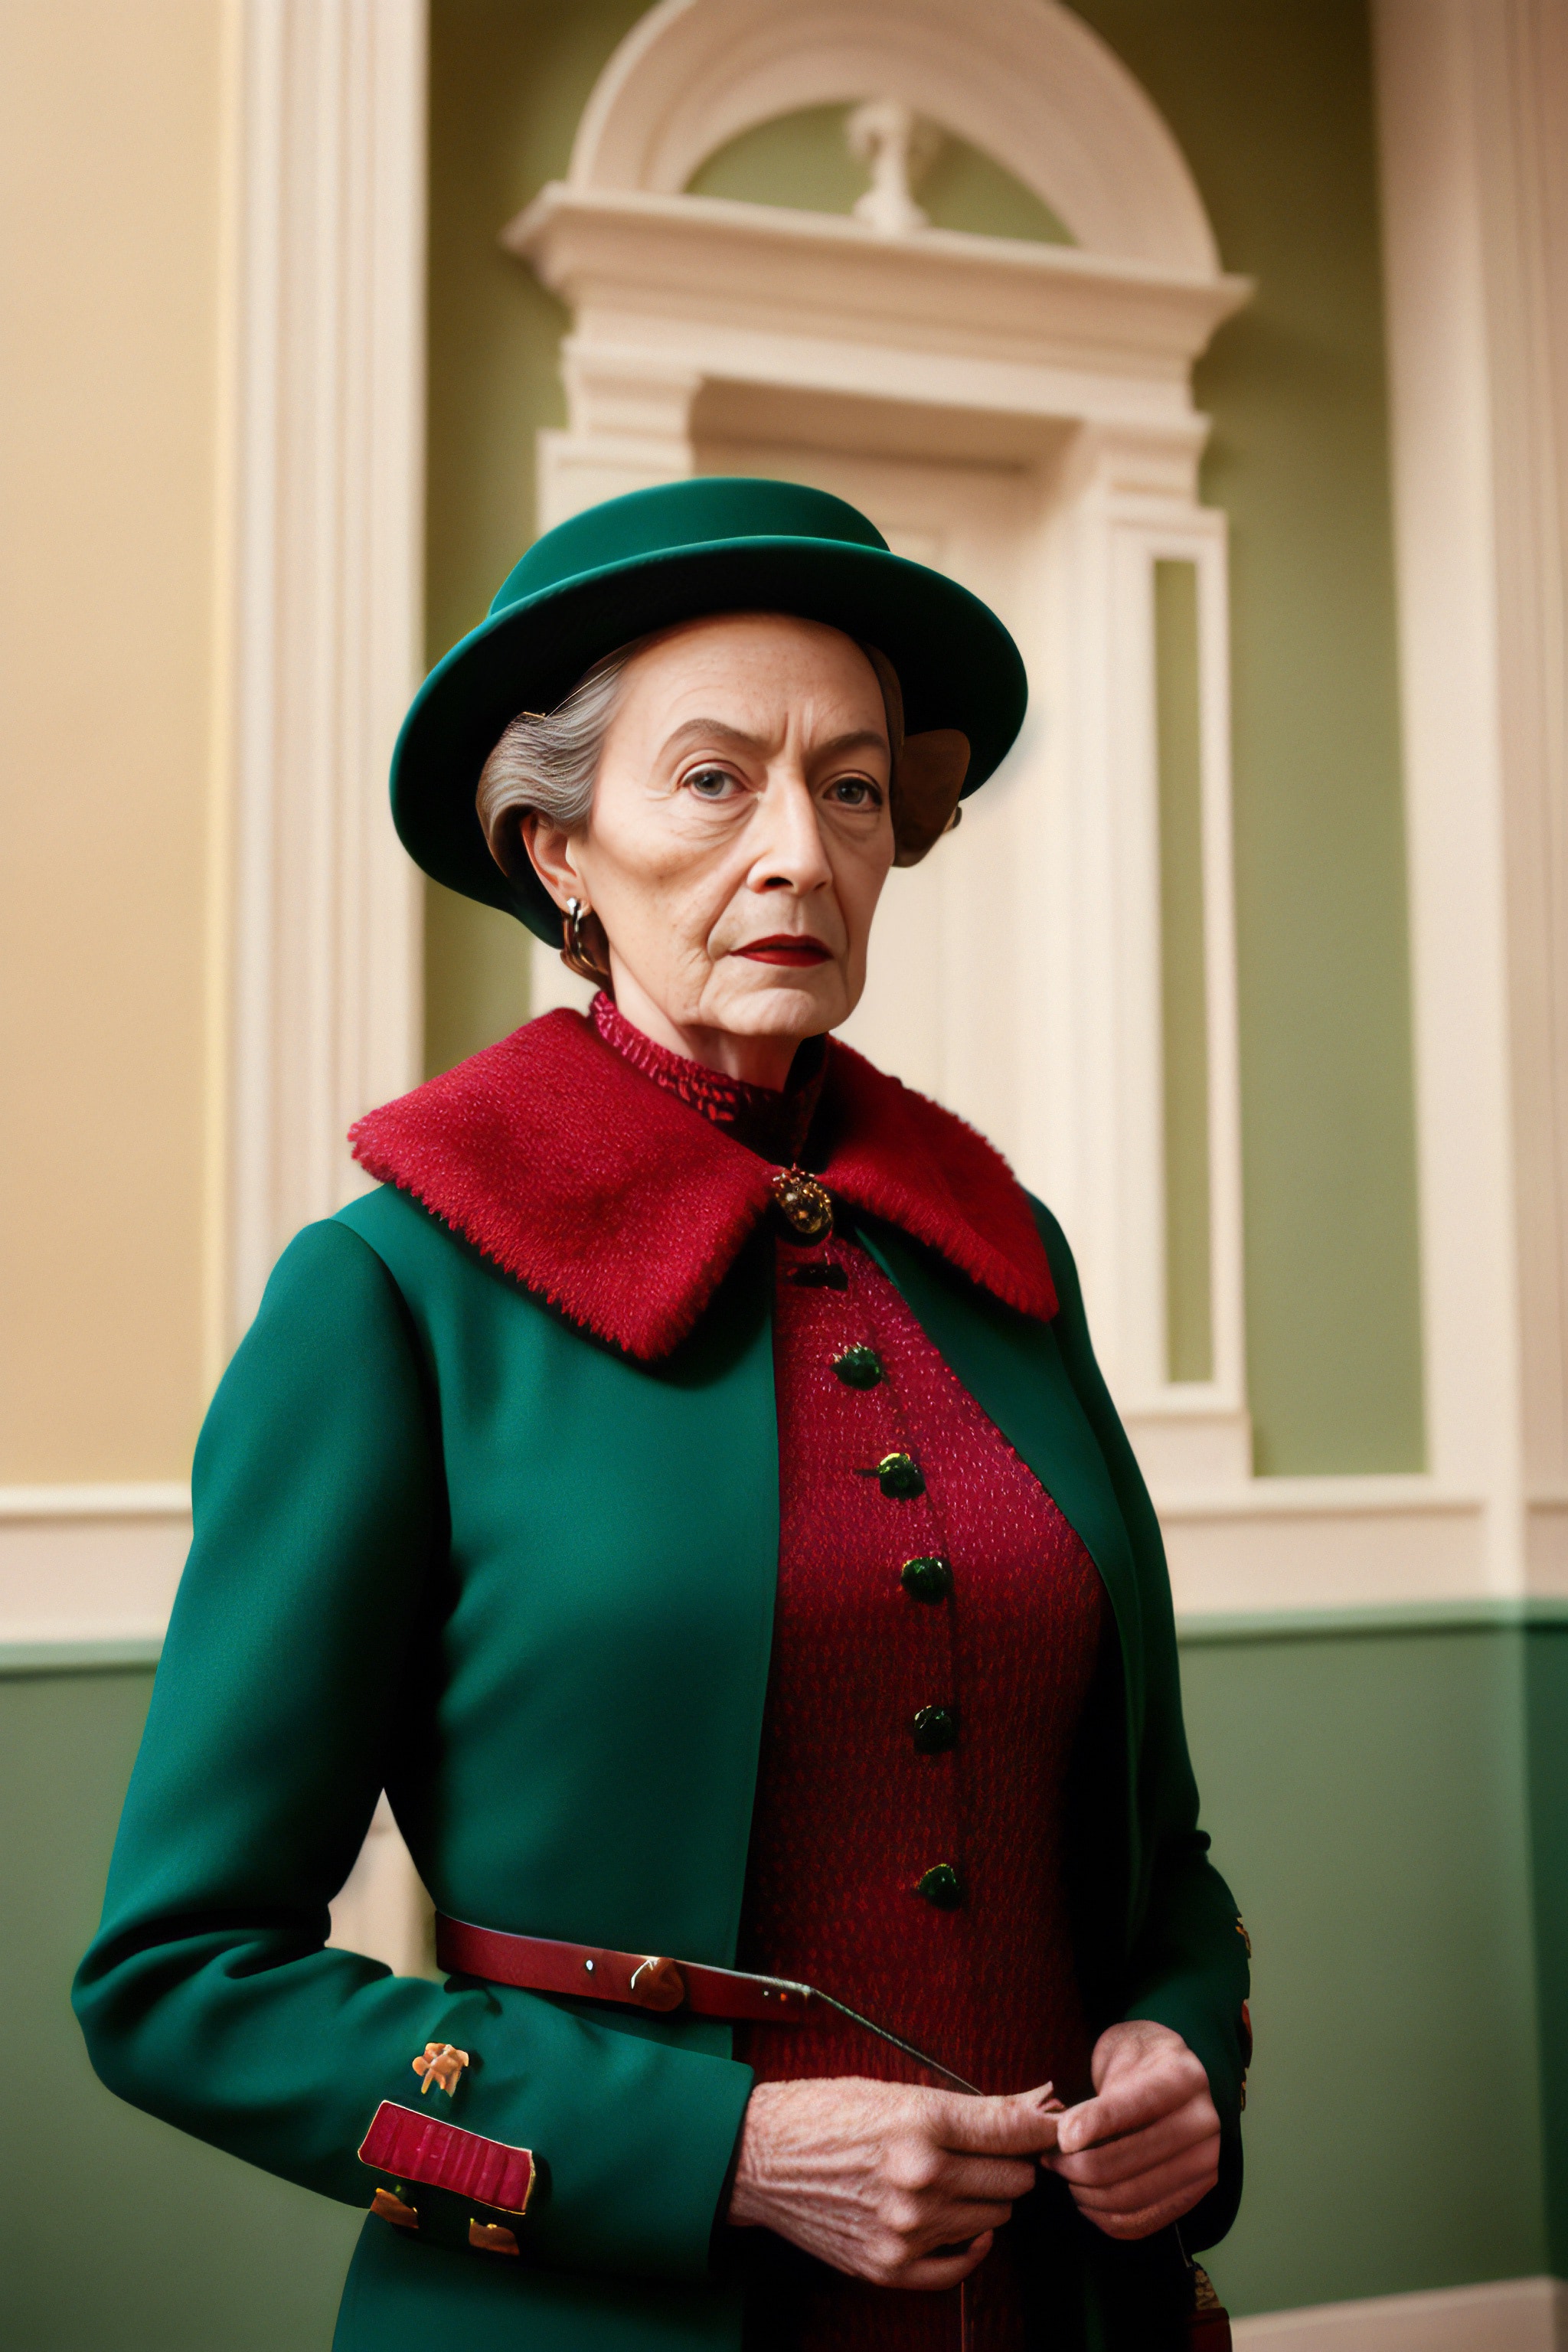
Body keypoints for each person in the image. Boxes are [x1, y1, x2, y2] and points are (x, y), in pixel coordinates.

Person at [75, 478, 1249, 2352]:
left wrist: (1181, 2049)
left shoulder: (1003, 1252)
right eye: (714, 782)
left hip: (1064, 2312)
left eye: (852, 788)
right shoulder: (388, 1294)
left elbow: (1156, 1860)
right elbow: (178, 1984)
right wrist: (722, 2150)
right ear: (557, 849)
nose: (798, 850)